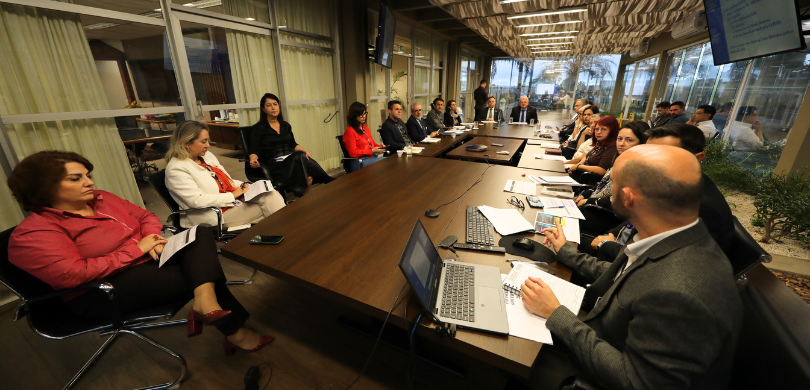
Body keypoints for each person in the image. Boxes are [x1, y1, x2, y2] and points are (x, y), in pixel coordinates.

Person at [7, 151, 273, 355]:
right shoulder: (35, 232)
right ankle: (231, 328)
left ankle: (205, 303)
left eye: (88, 175)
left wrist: (151, 239)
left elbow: (145, 215)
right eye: (77, 178)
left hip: (148, 260)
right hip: (101, 291)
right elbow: (72, 275)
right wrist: (136, 249)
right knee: (201, 273)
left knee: (201, 233)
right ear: (43, 188)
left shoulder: (101, 198)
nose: (89, 182)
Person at [523, 144, 743, 390]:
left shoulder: (678, 296)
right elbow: (623, 277)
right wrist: (566, 252)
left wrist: (555, 314)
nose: (608, 192)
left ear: (628, 197)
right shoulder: (671, 236)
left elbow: (634, 381)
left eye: (613, 185)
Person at [594, 123, 735, 260]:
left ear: (697, 158)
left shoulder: (699, 205)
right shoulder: (664, 183)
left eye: (664, 154)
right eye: (647, 153)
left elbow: (657, 262)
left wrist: (606, 245)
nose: (649, 161)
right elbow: (633, 224)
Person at [165, 121, 285, 228]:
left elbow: (226, 180)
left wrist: (244, 185)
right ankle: (290, 234)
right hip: (216, 213)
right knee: (267, 210)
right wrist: (232, 195)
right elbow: (196, 201)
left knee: (270, 194)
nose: (208, 145)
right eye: (203, 141)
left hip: (233, 201)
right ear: (186, 143)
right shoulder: (176, 169)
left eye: (207, 140)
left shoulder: (206, 156)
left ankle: (287, 232)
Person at [248, 93, 334, 197]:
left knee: (307, 172)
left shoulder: (285, 125)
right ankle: (327, 180)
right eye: (268, 105)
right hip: (275, 165)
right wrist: (253, 160)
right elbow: (254, 149)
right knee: (300, 156)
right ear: (263, 109)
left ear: (279, 106)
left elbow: (293, 144)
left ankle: (302, 199)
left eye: (275, 104)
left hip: (291, 161)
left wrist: (305, 150)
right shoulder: (258, 128)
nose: (273, 107)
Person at [574, 121, 650, 234]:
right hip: (592, 206)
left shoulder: (637, 169)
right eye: (619, 139)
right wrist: (585, 194)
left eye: (629, 140)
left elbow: (618, 201)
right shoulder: (618, 159)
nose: (622, 144)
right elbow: (602, 185)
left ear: (641, 143)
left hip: (604, 217)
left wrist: (588, 201)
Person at [567, 115, 619, 185]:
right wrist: (576, 166)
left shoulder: (612, 146)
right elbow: (587, 156)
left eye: (604, 129)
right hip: (580, 176)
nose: (599, 132)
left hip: (589, 182)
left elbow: (602, 170)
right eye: (597, 129)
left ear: (612, 131)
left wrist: (578, 167)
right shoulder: (600, 143)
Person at [342, 102, 388, 171]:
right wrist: (371, 151)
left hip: (371, 158)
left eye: (365, 113)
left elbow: (372, 144)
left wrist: (379, 147)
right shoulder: (350, 131)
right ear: (354, 116)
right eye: (361, 114)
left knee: (390, 161)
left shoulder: (365, 128)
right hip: (359, 162)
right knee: (386, 162)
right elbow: (353, 153)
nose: (364, 116)